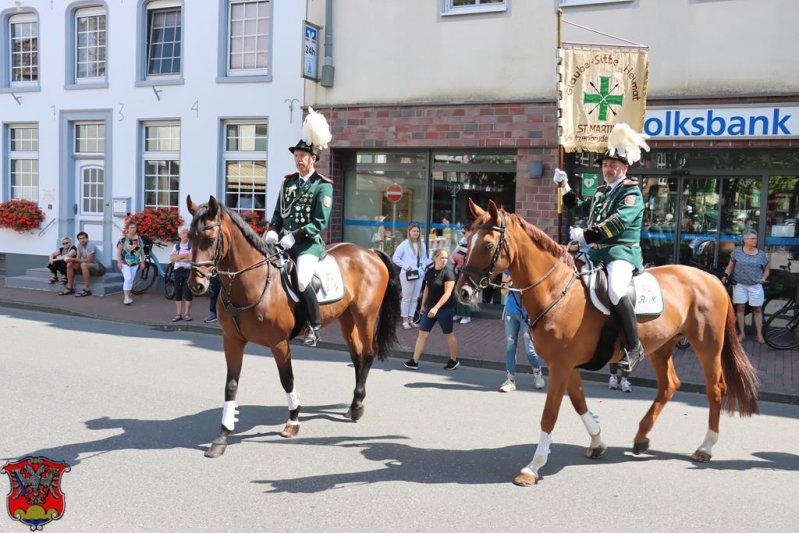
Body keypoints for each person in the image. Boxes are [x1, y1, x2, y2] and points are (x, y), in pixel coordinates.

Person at [554, 123, 649, 373]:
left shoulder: (631, 193)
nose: (608, 169)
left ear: (624, 168)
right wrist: (564, 186)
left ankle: (634, 346)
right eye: (605, 165)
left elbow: (618, 223)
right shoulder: (601, 192)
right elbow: (579, 208)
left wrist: (585, 235)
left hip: (621, 253)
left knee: (616, 291)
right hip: (596, 253)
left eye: (613, 165)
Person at [264, 107, 333, 346]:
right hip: (283, 242)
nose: (298, 159)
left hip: (307, 245)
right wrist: (272, 230)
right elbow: (277, 215)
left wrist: (293, 237)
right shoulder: (288, 183)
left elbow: (320, 222)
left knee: (302, 280)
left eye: (303, 156)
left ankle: (314, 328)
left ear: (313, 158)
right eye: (296, 155)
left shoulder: (322, 186)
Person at [403, 248, 460, 370]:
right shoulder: (429, 272)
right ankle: (415, 361)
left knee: (448, 335)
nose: (444, 260)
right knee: (422, 334)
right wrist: (423, 305)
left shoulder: (449, 274)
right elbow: (427, 289)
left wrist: (436, 308)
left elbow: (447, 293)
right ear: (435, 258)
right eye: (441, 257)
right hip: (430, 308)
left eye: (446, 258)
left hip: (444, 309)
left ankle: (454, 360)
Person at [499, 271, 546, 392]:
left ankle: (537, 373)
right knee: (510, 346)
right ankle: (510, 380)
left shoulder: (529, 267)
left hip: (527, 314)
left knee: (529, 348)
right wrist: (507, 282)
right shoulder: (508, 270)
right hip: (511, 311)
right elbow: (503, 292)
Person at [721, 228, 770, 343]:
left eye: (756, 238)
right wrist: (725, 276)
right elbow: (730, 267)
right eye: (752, 239)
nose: (755, 241)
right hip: (740, 285)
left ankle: (759, 334)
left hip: (755, 286)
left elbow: (767, 270)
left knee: (757, 309)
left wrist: (763, 278)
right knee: (740, 308)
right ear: (745, 240)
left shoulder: (761, 254)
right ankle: (742, 333)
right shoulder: (737, 252)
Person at [392, 222, 429, 329]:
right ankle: (404, 321)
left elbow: (425, 259)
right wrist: (405, 266)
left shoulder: (422, 244)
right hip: (407, 274)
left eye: (417, 231)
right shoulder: (404, 244)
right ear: (409, 232)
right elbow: (395, 258)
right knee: (407, 298)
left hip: (419, 274)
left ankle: (411, 319)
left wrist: (423, 268)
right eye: (414, 231)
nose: (416, 233)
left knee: (415, 298)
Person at [61, 231, 105, 297]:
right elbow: (78, 258)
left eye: (83, 238)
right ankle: (69, 288)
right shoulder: (79, 245)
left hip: (100, 267)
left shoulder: (90, 245)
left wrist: (73, 259)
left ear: (87, 238)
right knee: (70, 264)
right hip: (88, 266)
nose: (82, 240)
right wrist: (70, 260)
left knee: (83, 264)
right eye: (80, 239)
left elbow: (89, 260)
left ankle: (86, 290)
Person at [116, 223, 144, 305]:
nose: (133, 229)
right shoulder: (123, 239)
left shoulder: (139, 239)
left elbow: (142, 251)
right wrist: (119, 261)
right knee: (128, 278)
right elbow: (118, 251)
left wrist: (142, 262)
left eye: (134, 227)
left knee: (131, 280)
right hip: (125, 262)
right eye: (131, 227)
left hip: (135, 263)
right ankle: (126, 297)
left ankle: (128, 296)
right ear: (128, 229)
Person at [170, 227, 193, 321]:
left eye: (187, 232)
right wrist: (184, 255)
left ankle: (187, 313)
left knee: (188, 292)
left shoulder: (192, 245)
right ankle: (178, 314)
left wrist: (178, 257)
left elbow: (191, 259)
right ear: (179, 234)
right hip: (177, 270)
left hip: (188, 270)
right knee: (178, 292)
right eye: (183, 232)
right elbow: (172, 258)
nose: (185, 234)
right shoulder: (176, 246)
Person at [450, 234, 472, 324]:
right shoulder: (461, 241)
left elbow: (470, 252)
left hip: (467, 272)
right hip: (457, 271)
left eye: (465, 232)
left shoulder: (472, 241)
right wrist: (452, 259)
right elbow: (451, 256)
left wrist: (459, 248)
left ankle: (466, 315)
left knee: (465, 292)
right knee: (456, 292)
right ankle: (458, 313)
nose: (464, 234)